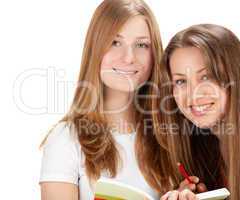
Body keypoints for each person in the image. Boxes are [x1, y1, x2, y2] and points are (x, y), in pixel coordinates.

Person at [138, 24, 240, 200]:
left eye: (206, 77)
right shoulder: (201, 140)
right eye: (180, 81)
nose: (193, 94)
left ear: (236, 76)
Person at [39, 0, 163, 199]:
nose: (129, 57)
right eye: (115, 42)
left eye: (141, 44)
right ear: (95, 48)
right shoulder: (67, 139)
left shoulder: (169, 136)